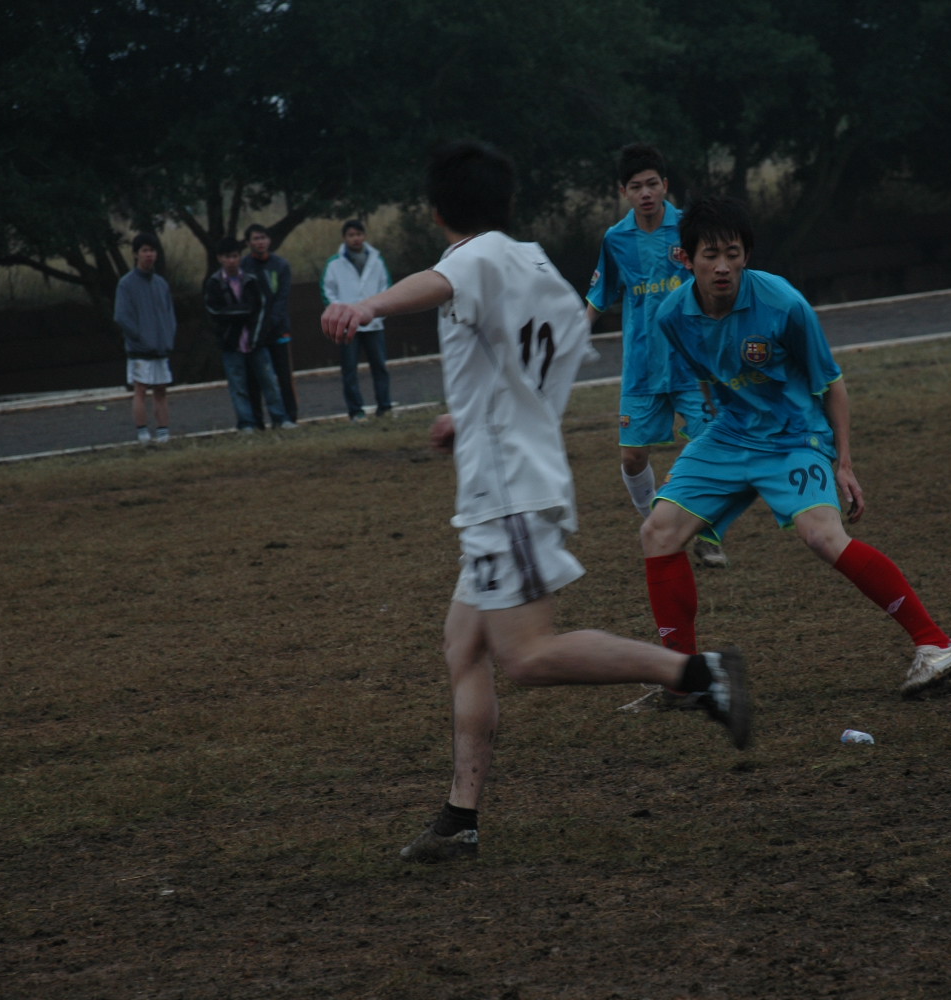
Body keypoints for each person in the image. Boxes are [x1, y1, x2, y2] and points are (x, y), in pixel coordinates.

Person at [320, 140, 752, 864]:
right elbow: (545, 357)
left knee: (524, 656)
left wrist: (365, 304)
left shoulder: (477, 257)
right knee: (463, 645)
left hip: (507, 492)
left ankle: (697, 674)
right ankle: (460, 818)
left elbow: (438, 281)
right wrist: (472, 412)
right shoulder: (535, 264)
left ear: (437, 211)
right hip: (513, 476)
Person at [640, 195, 951, 696]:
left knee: (823, 537)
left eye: (733, 254)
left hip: (795, 436)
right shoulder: (671, 316)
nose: (722, 267)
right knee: (658, 532)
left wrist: (843, 463)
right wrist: (706, 433)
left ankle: (935, 644)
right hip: (729, 434)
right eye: (710, 255)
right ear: (686, 258)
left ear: (747, 254)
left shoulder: (783, 304)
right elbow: (706, 373)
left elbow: (832, 384)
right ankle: (685, 680)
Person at [586, 143, 730, 570]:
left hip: (693, 364)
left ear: (665, 185)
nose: (645, 193)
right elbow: (599, 296)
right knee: (633, 457)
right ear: (624, 192)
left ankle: (706, 533)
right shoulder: (616, 239)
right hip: (642, 367)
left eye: (652, 184)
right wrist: (571, 338)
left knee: (710, 444)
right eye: (636, 186)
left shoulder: (690, 229)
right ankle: (657, 523)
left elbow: (722, 279)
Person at [204, 236, 295, 432]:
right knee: (239, 386)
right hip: (231, 344)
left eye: (235, 256)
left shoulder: (251, 280)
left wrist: (256, 334)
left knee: (269, 382)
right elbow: (215, 312)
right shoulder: (214, 283)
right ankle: (246, 422)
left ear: (240, 257)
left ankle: (280, 418)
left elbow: (261, 308)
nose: (231, 261)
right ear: (220, 258)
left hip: (255, 341)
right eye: (227, 257)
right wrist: (243, 312)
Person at [322, 220, 393, 421]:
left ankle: (385, 407)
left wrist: (377, 312)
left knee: (379, 367)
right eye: (351, 235)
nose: (356, 239)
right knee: (349, 369)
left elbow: (386, 288)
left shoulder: (377, 261)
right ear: (344, 238)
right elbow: (328, 292)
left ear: (364, 236)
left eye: (359, 234)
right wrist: (341, 314)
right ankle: (355, 410)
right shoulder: (334, 264)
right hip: (347, 326)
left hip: (374, 324)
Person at [114, 233, 176, 444]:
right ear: (136, 254)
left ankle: (163, 432)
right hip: (140, 349)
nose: (149, 255)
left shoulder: (161, 284)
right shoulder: (126, 284)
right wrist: (141, 338)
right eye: (145, 251)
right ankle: (142, 433)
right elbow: (122, 316)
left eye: (152, 250)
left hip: (161, 347)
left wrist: (168, 337)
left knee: (161, 389)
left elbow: (169, 314)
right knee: (140, 389)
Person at [242, 224, 298, 424]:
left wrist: (271, 324)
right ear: (248, 242)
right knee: (254, 378)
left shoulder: (281, 265)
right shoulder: (243, 266)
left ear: (269, 240)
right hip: (253, 332)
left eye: (263, 238)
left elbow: (282, 299)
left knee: (283, 376)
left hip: (278, 329)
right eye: (256, 238)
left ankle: (289, 417)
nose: (260, 242)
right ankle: (257, 421)